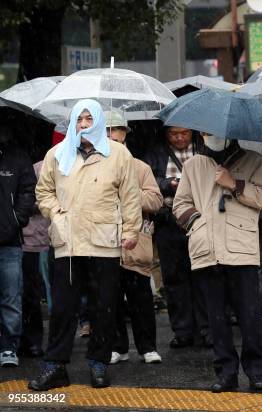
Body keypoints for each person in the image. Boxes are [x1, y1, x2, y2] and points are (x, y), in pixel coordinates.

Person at [29, 99, 141, 390]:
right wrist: (56, 214)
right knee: (63, 307)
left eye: (89, 119)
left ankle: (98, 363)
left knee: (104, 306)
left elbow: (130, 197)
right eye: (78, 119)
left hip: (104, 242)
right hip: (67, 242)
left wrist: (131, 230)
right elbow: (44, 192)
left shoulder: (118, 154)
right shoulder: (57, 153)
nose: (83, 125)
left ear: (100, 121)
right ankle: (55, 366)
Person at [173, 135, 262, 392]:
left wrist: (234, 184)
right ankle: (226, 372)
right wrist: (197, 222)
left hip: (241, 247)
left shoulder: (253, 160)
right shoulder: (193, 164)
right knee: (216, 319)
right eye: (206, 132)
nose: (212, 136)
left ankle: (256, 370)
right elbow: (180, 203)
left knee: (250, 315)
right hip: (207, 248)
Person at [105, 112, 164, 365]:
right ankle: (117, 346)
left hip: (135, 241)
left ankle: (147, 347)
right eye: (106, 129)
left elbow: (156, 200)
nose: (111, 134)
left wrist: (129, 194)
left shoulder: (140, 167)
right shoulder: (93, 165)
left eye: (116, 129)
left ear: (125, 133)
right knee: (110, 298)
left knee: (140, 297)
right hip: (104, 241)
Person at [144, 127, 211, 349]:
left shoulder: (204, 149)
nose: (179, 138)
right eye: (174, 134)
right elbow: (148, 180)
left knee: (203, 276)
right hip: (168, 223)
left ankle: (206, 328)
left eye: (184, 133)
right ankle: (182, 330)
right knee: (174, 279)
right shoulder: (155, 153)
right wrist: (168, 184)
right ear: (166, 134)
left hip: (200, 222)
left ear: (192, 133)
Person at [0, 125, 36, 367]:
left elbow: (28, 190)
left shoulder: (17, 156)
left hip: (9, 240)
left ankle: (8, 347)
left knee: (11, 297)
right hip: (10, 237)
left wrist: (16, 219)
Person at [19, 160, 50, 359]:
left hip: (29, 238)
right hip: (22, 237)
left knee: (29, 292)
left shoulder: (22, 162)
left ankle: (31, 341)